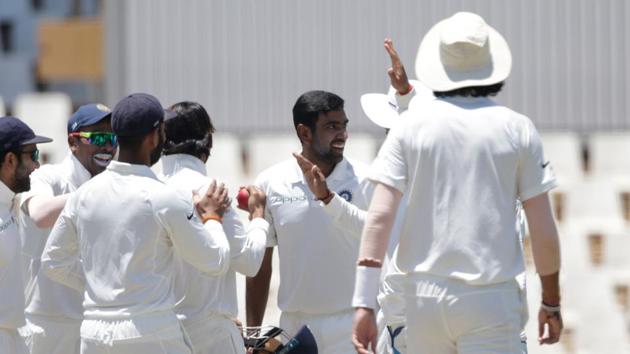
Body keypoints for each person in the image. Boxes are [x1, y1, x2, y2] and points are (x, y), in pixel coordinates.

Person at [352, 12, 562, 354]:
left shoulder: (409, 129)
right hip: (491, 299)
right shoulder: (517, 128)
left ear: (438, 65)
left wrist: (363, 302)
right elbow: (543, 230)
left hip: (425, 302)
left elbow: (378, 219)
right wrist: (551, 303)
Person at [40, 93, 231, 354]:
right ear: (154, 136)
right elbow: (215, 261)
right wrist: (212, 218)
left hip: (94, 335)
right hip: (150, 334)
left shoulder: (83, 195)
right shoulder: (164, 196)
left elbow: (53, 261)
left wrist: (103, 289)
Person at [246, 90, 372, 353]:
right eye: (332, 127)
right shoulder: (271, 183)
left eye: (344, 126)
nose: (343, 135)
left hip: (351, 323)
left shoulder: (366, 179)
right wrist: (254, 334)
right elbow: (260, 265)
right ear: (305, 133)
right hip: (295, 327)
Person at [159, 101, 269, 354]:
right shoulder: (214, 193)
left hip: (160, 334)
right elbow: (249, 263)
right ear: (208, 142)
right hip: (213, 336)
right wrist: (258, 216)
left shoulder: (151, 190)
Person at [18, 103, 116, 354]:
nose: (108, 146)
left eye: (113, 137)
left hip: (95, 323)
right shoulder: (49, 176)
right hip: (47, 323)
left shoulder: (111, 185)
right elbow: (39, 214)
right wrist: (91, 193)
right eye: (99, 137)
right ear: (73, 142)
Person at [0, 116, 52, 354]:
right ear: (10, 160)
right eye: (33, 155)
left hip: (13, 336)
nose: (36, 165)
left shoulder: (11, 200)